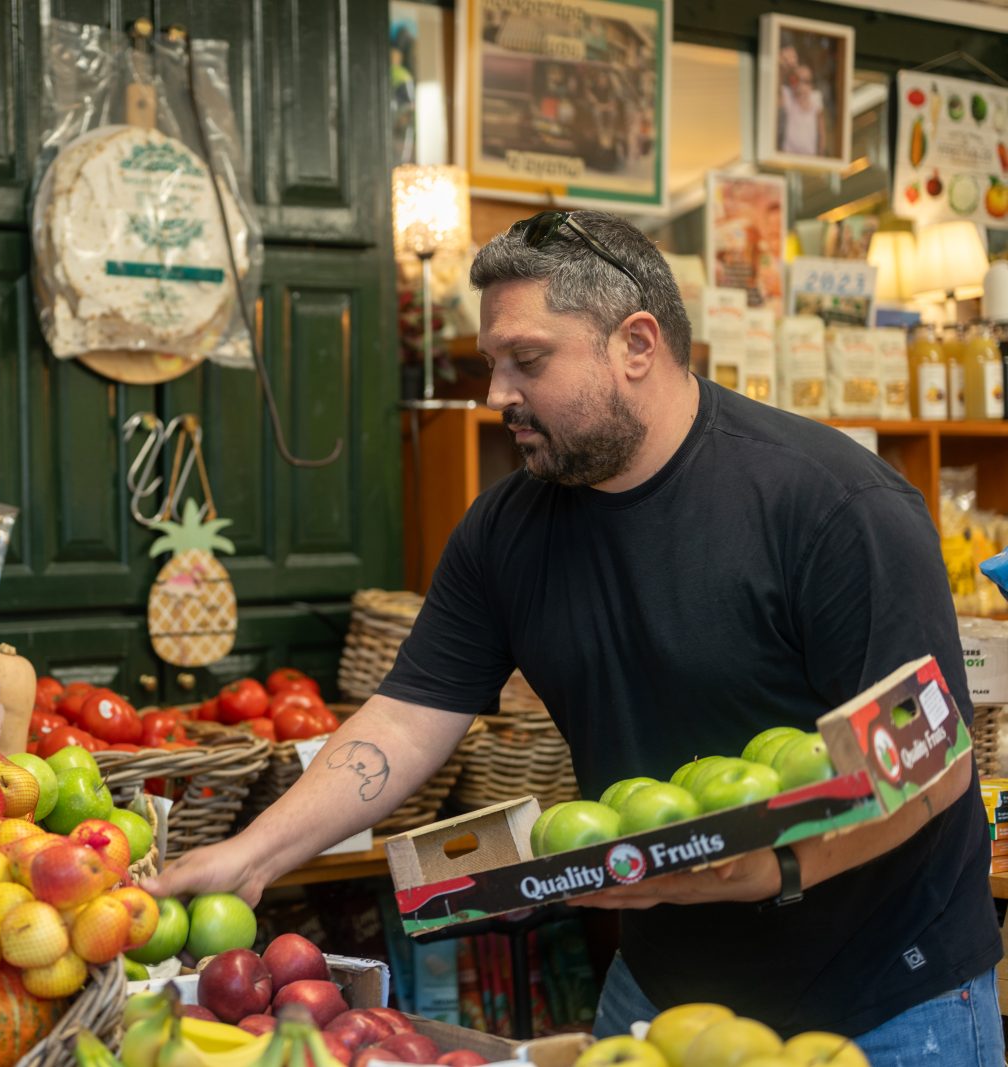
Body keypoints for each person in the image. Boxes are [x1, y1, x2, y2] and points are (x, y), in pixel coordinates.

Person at [144, 210, 1002, 1064]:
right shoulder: (507, 529)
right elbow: (406, 719)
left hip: (884, 998)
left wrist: (773, 868)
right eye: (492, 363)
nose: (496, 395)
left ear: (636, 344)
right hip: (662, 996)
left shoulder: (832, 506)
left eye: (529, 360)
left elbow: (933, 762)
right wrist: (254, 855)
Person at [780, 62, 828, 156]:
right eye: (797, 80)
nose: (801, 85)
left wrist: (821, 153)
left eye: (806, 81)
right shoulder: (788, 95)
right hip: (788, 156)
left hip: (809, 157)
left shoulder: (815, 98)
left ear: (811, 84)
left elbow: (821, 130)